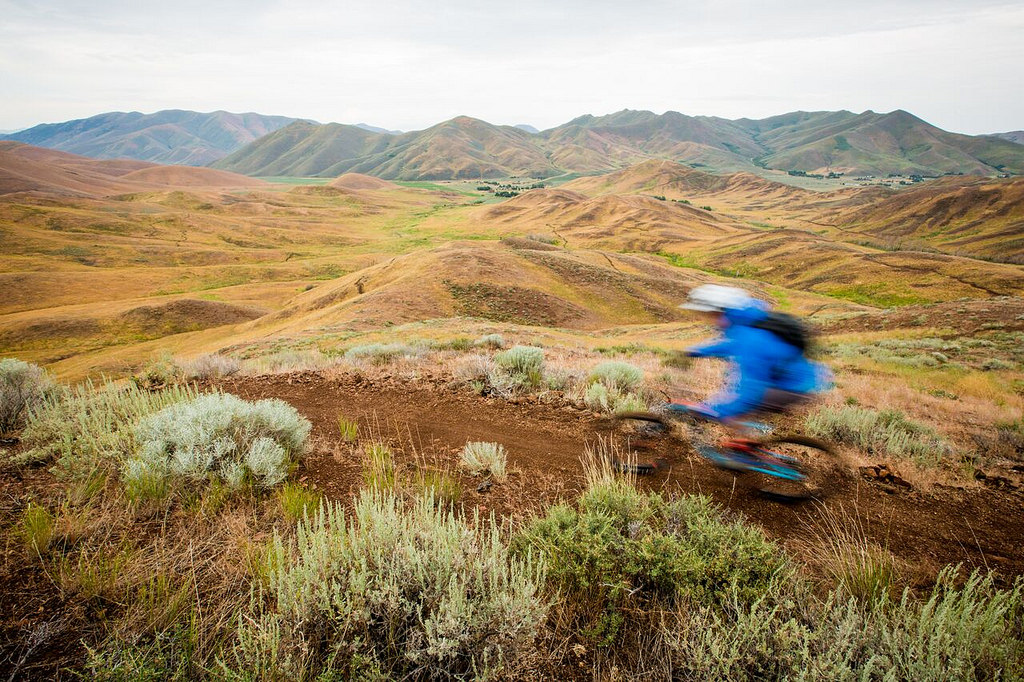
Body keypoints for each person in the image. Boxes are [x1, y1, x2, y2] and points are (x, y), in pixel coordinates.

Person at [669, 284, 830, 433]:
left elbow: (750, 391)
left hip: (792, 388)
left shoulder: (752, 340)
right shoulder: (745, 326)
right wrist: (697, 351)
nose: (711, 320)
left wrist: (708, 409)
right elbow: (731, 345)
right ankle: (745, 446)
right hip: (790, 380)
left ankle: (747, 457)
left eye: (712, 315)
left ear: (724, 313)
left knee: (736, 409)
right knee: (736, 412)